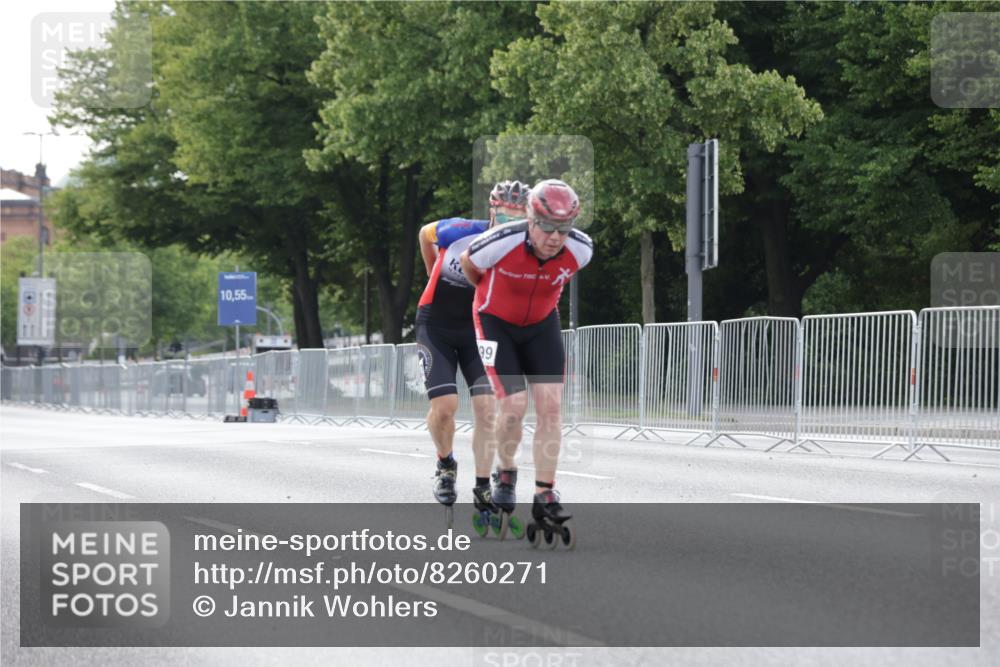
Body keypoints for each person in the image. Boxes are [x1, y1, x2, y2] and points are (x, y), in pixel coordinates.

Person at [459, 179, 592, 542]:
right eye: (547, 226)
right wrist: (491, 297)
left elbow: (555, 279)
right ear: (531, 220)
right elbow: (468, 266)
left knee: (551, 406)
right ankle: (505, 472)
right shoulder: (501, 241)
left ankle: (544, 492)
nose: (555, 237)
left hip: (541, 325)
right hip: (494, 322)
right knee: (514, 405)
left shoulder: (581, 250)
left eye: (564, 228)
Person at [417, 181, 531, 517]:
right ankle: (445, 464)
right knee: (445, 407)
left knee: (485, 409)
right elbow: (425, 234)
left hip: (477, 331)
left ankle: (483, 484)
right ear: (492, 211)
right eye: (504, 215)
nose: (510, 222)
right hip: (435, 325)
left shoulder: (522, 250)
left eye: (517, 217)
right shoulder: (461, 231)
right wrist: (431, 273)